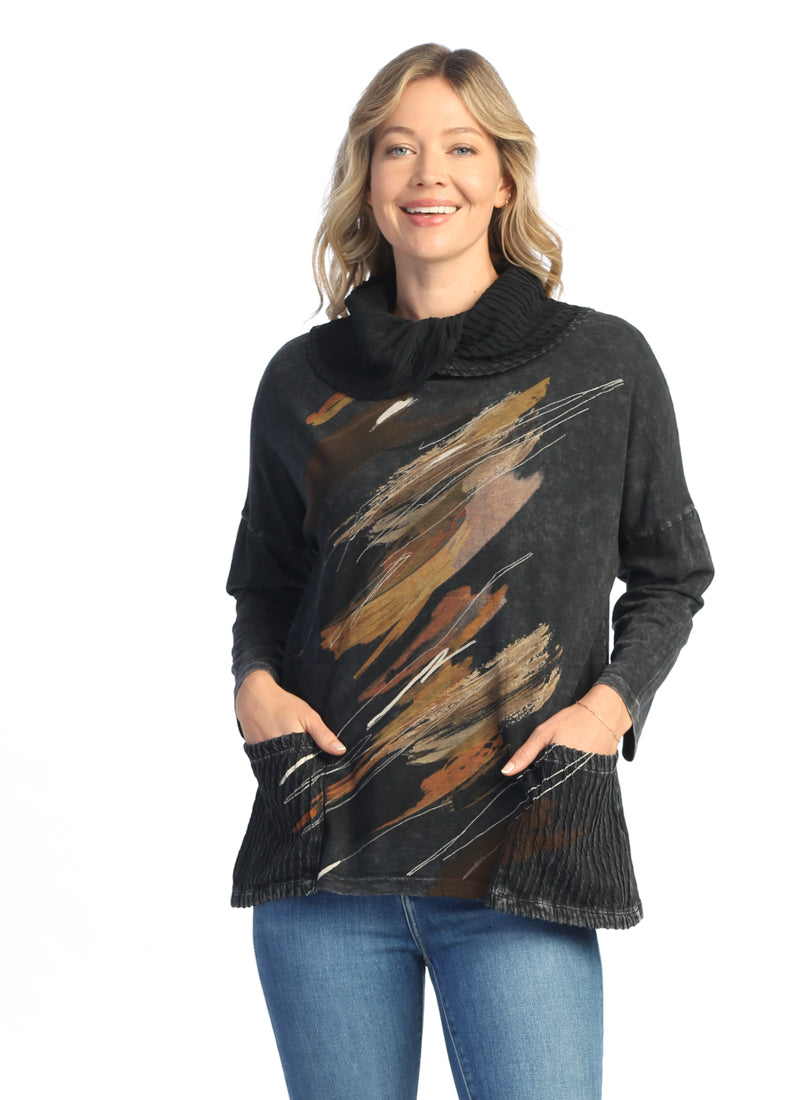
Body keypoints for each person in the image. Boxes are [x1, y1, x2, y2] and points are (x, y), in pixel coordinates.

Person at [227, 43, 713, 1100]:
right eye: (397, 148)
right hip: (323, 864)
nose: (427, 174)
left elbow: (673, 572)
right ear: (368, 177)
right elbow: (265, 583)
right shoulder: (302, 380)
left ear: (503, 177)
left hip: (522, 855)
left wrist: (609, 707)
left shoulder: (600, 364)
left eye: (460, 147)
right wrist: (253, 686)